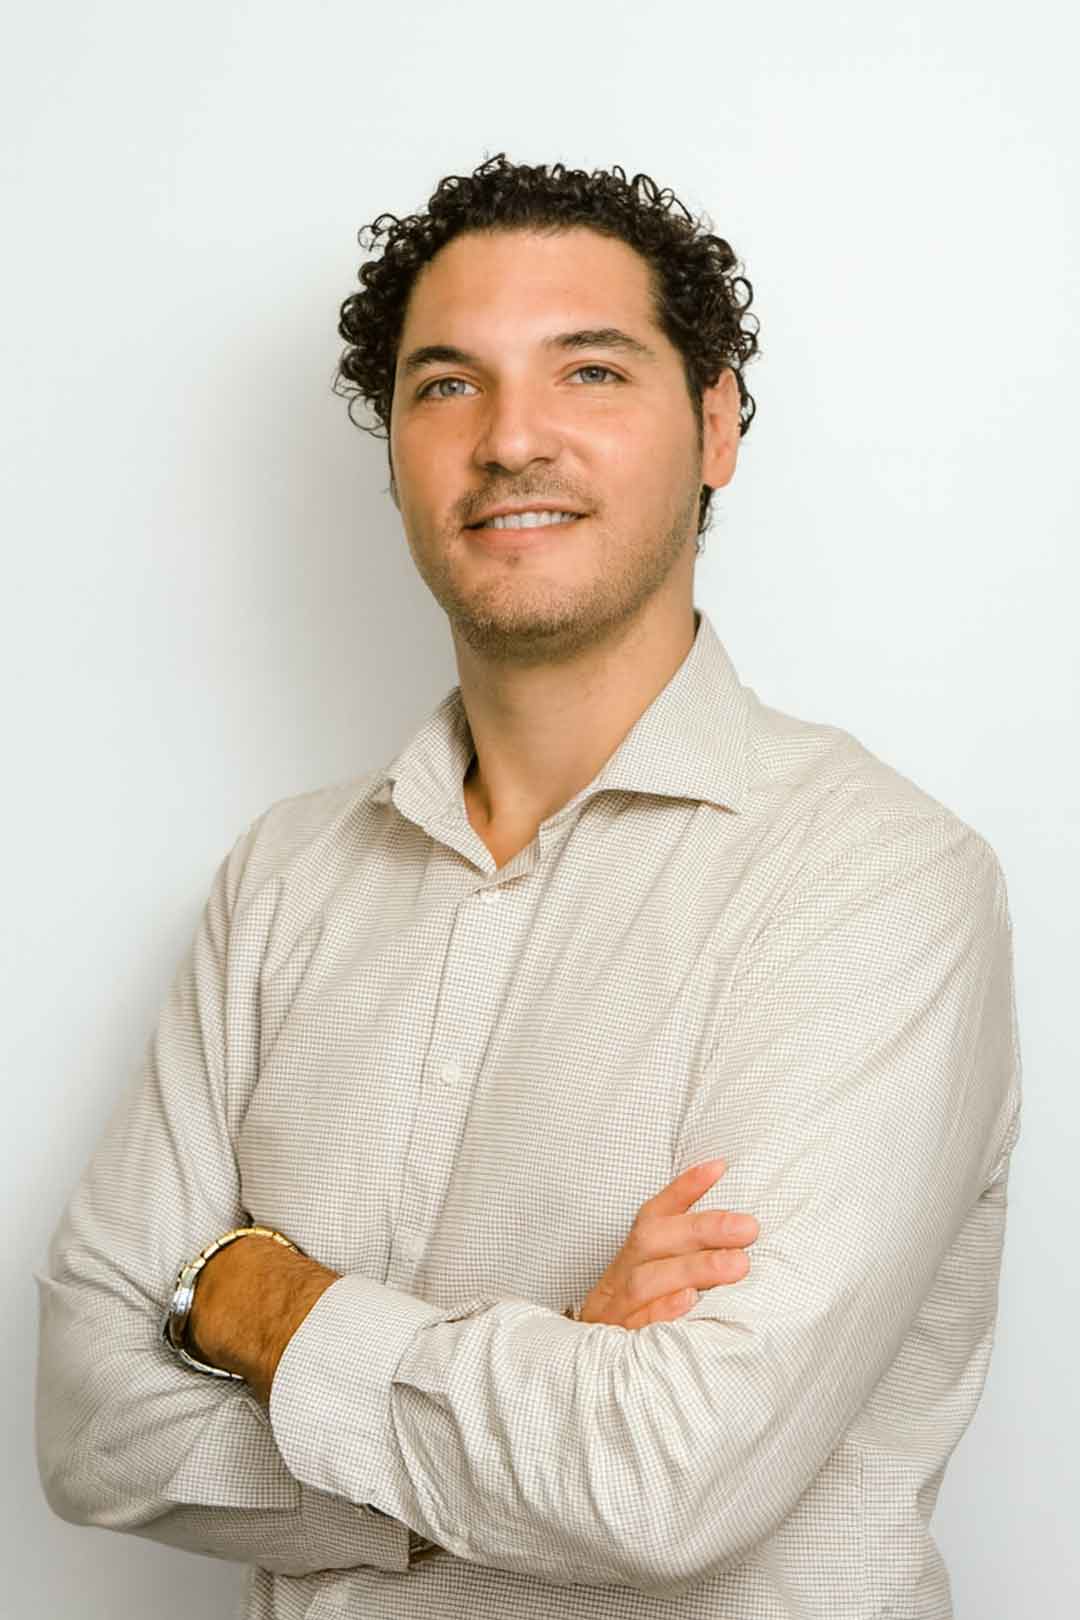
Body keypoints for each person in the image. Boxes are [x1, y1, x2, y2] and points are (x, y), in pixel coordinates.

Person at [34, 153, 1023, 1620]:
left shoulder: (875, 877)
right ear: (394, 449)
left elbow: (668, 1475)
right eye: (448, 385)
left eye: (591, 372)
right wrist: (548, 1369)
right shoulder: (283, 882)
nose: (510, 440)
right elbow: (89, 1427)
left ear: (716, 426)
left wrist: (259, 1305)